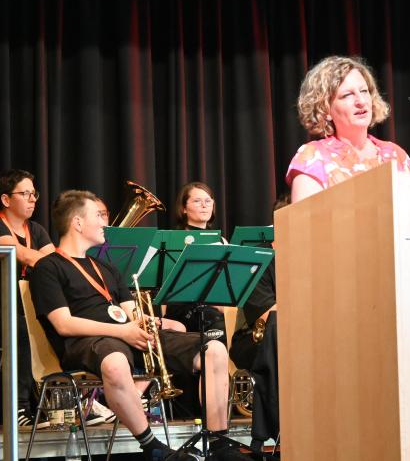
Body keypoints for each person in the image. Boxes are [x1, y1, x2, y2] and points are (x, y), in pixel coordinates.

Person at [29, 190, 250, 460]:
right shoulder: (48, 267)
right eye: (98, 216)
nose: (104, 223)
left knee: (213, 349)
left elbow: (130, 312)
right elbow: (64, 324)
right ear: (77, 222)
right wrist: (123, 331)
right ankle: (152, 447)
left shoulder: (105, 268)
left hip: (126, 335)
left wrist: (159, 322)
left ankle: (219, 445)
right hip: (87, 342)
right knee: (115, 362)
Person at [287, 55, 410, 203]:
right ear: (325, 110)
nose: (361, 101)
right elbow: (305, 222)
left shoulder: (395, 154)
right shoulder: (313, 157)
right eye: (347, 95)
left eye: (364, 91)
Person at [229, 195, 288, 451]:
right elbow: (267, 315)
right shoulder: (261, 262)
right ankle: (281, 429)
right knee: (277, 330)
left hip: (292, 337)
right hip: (253, 339)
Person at [0, 169, 55, 427]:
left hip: (29, 304)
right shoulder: (0, 225)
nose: (32, 199)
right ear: (6, 200)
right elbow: (23, 255)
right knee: (22, 329)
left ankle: (61, 404)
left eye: (34, 193)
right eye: (25, 193)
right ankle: (19, 408)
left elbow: (53, 261)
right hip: (5, 306)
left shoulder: (37, 229)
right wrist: (57, 264)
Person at [164, 182, 224, 338]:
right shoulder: (173, 241)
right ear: (184, 208)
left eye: (208, 201)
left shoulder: (222, 241)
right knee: (219, 325)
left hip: (215, 305)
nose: (204, 205)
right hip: (184, 307)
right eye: (197, 201)